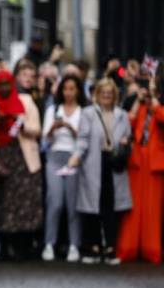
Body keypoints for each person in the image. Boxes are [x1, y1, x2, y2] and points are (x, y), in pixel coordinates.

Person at [70, 78, 132, 264]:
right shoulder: (88, 113)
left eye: (110, 93)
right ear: (97, 94)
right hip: (93, 163)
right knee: (92, 206)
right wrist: (76, 156)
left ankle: (111, 246)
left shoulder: (122, 115)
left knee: (111, 207)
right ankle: (93, 246)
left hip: (114, 163)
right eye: (103, 92)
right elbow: (83, 139)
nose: (106, 96)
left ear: (115, 96)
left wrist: (125, 144)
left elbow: (128, 137)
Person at [0, 69, 43, 260]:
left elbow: (37, 129)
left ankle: (24, 246)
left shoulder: (26, 101)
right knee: (3, 202)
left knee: (26, 201)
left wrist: (20, 125)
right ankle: (4, 246)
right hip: (1, 157)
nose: (3, 87)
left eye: (6, 83)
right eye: (0, 84)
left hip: (24, 157)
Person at [118, 77, 164, 263]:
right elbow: (126, 125)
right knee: (133, 209)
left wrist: (154, 100)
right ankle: (128, 248)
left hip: (155, 164)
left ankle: (151, 250)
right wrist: (137, 101)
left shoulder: (158, 108)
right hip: (137, 162)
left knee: (153, 210)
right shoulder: (141, 108)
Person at [41, 74, 86, 262]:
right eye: (65, 89)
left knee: (72, 203)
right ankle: (49, 243)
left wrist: (69, 126)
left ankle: (74, 244)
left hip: (73, 157)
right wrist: (54, 128)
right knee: (55, 201)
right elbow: (45, 139)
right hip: (55, 157)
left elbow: (84, 138)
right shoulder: (53, 109)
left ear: (77, 91)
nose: (68, 93)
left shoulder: (83, 112)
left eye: (72, 89)